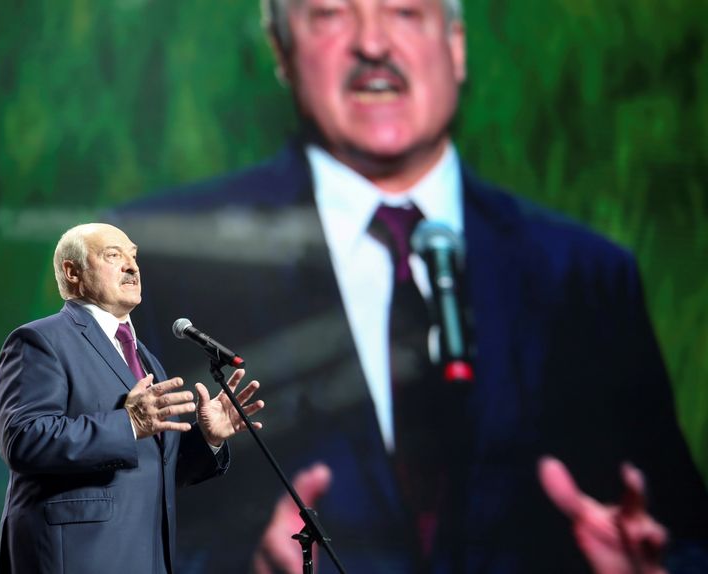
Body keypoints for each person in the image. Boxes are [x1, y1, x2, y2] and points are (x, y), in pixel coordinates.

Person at [110, 0, 708, 572]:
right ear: (282, 50)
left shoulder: (586, 276)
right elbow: (80, 524)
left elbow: (685, 536)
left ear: (456, 45)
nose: (373, 43)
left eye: (405, 10)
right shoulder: (161, 261)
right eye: (330, 13)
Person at [0, 223, 265, 573]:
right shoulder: (40, 341)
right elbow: (24, 440)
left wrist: (206, 440)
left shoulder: (146, 358)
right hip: (75, 558)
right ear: (72, 272)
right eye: (113, 255)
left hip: (146, 557)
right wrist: (129, 422)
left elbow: (151, 467)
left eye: (133, 257)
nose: (132, 266)